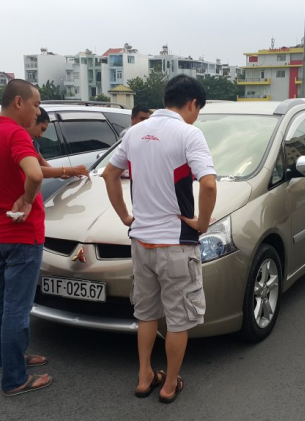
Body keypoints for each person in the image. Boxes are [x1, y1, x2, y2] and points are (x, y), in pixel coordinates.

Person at [102, 75, 217, 404]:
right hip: (176, 243)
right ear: (192, 103)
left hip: (141, 242)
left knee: (146, 314)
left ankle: (144, 377)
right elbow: (208, 184)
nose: (196, 116)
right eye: (197, 109)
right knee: (179, 318)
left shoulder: (134, 132)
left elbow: (110, 174)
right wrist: (202, 223)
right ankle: (169, 386)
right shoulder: (189, 133)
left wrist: (125, 216)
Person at [0, 79, 52, 397]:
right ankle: (15, 379)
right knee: (18, 307)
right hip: (23, 234)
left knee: (2, 303)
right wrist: (28, 200)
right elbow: (34, 174)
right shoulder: (16, 134)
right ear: (19, 102)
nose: (37, 111)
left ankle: (10, 359)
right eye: (35, 104)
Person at [26, 107, 89, 179]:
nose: (41, 135)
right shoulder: (19, 139)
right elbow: (34, 170)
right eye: (42, 129)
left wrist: (62, 173)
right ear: (32, 120)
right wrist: (66, 170)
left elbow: (40, 159)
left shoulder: (32, 141)